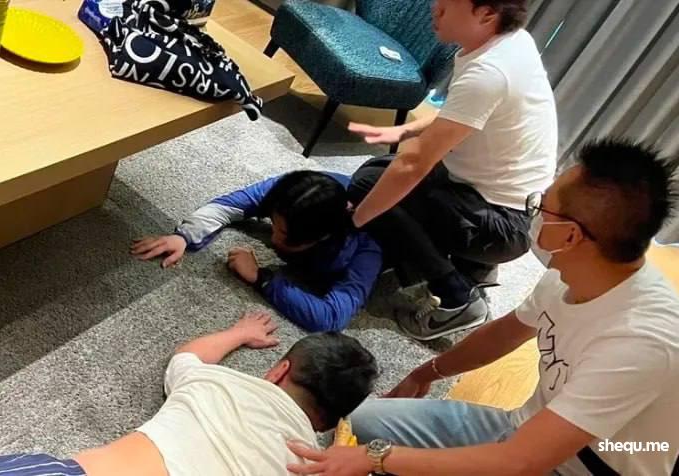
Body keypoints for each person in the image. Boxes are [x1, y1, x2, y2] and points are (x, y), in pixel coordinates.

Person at [286, 138, 679, 475]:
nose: (533, 214)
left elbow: (519, 462)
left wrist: (377, 458)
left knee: (375, 453)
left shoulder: (642, 343)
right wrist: (427, 372)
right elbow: (507, 331)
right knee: (364, 420)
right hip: (522, 431)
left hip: (581, 467)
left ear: (570, 235)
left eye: (541, 207)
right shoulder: (572, 271)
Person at [347, 0, 557, 340]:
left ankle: (457, 295)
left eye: (447, 4)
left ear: (487, 14)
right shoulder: (511, 41)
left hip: (502, 223)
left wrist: (354, 221)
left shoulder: (490, 72)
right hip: (508, 201)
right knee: (379, 175)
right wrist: (403, 131)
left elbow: (413, 164)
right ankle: (472, 265)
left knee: (368, 187)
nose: (435, 8)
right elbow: (462, 114)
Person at [0, 311, 379, 476]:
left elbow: (187, 354)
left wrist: (239, 332)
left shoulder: (220, 384)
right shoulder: (311, 465)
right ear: (329, 421)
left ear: (280, 370)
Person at [131, 170, 382, 332]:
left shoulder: (367, 248)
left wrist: (263, 278)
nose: (273, 238)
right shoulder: (297, 191)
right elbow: (227, 206)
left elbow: (331, 317)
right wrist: (183, 236)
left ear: (321, 237)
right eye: (273, 225)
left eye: (284, 235)